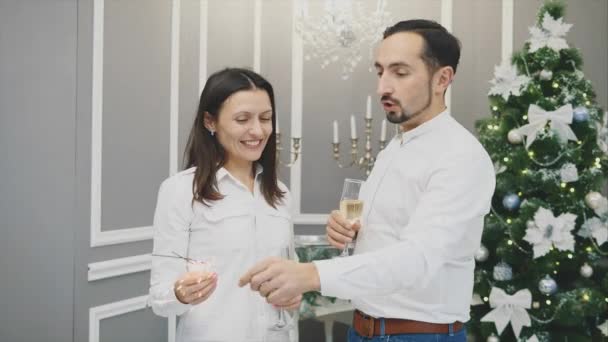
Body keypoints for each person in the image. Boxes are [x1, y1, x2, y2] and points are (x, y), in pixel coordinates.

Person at [239, 19, 496, 342]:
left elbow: (417, 259)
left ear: (442, 78)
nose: (382, 88)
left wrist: (311, 273)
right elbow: (387, 233)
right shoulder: (394, 148)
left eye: (400, 73)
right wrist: (350, 230)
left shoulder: (461, 156)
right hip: (362, 330)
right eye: (380, 71)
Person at [148, 68, 300, 342]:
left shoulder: (280, 194)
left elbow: (289, 274)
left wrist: (294, 293)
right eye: (242, 119)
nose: (258, 131)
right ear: (210, 121)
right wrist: (181, 293)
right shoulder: (181, 191)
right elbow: (160, 296)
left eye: (266, 119)